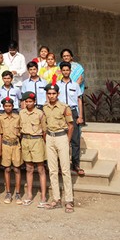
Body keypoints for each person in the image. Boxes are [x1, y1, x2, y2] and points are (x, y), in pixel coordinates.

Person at [43, 84, 75, 213]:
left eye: (53, 93)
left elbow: (71, 125)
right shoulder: (44, 108)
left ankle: (69, 200)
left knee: (65, 170)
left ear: (58, 94)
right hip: (50, 137)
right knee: (52, 170)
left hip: (62, 137)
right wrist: (46, 138)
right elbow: (44, 124)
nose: (51, 96)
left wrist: (67, 141)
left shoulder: (64, 107)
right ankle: (56, 199)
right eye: (49, 93)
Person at [20, 91, 47, 207]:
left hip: (37, 140)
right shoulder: (21, 113)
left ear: (34, 102)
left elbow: (44, 130)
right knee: (29, 168)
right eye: (27, 101)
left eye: (31, 101)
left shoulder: (40, 113)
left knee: (40, 169)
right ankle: (29, 194)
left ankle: (43, 196)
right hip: (25, 140)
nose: (29, 103)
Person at [57, 61, 85, 176]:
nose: (65, 72)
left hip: (73, 112)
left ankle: (75, 164)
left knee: (75, 139)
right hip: (61, 113)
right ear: (61, 71)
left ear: (70, 71)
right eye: (63, 70)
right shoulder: (57, 85)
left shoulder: (75, 85)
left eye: (67, 70)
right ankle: (60, 165)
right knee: (60, 139)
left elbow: (79, 100)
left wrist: (80, 116)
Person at [0, 97, 23, 204]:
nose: (8, 108)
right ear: (3, 107)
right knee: (7, 169)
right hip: (5, 145)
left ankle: (17, 193)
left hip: (16, 145)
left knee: (17, 169)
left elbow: (21, 131)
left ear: (13, 106)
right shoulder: (0, 118)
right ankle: (8, 192)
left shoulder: (18, 117)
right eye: (6, 106)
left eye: (10, 106)